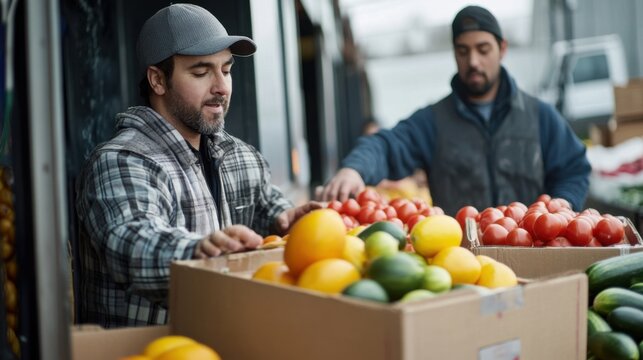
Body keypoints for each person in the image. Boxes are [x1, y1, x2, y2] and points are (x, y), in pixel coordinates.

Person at [75, 3, 319, 328]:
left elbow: (264, 202)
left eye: (227, 69)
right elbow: (132, 242)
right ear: (158, 80)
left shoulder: (239, 155)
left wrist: (282, 219)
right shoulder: (121, 161)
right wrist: (197, 251)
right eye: (201, 72)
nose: (221, 86)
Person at [317, 5, 591, 216]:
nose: (473, 61)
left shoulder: (539, 116)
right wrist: (354, 170)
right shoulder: (433, 122)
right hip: (460, 262)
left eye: (483, 49)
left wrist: (562, 205)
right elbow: (386, 145)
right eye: (463, 51)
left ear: (502, 49)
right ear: (454, 53)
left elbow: (574, 167)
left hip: (529, 250)